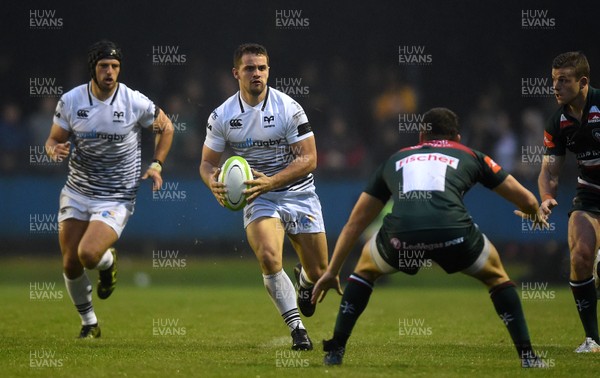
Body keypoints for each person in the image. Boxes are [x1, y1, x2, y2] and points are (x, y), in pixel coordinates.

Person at [312, 107, 549, 368]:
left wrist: (333, 271)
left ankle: (336, 350)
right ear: (457, 137)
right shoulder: (471, 155)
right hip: (453, 235)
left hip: (401, 238)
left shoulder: (394, 159)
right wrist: (534, 213)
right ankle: (528, 357)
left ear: (421, 134)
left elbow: (355, 223)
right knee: (496, 276)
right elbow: (527, 200)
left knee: (365, 267)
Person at [199, 43, 328, 350]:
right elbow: (207, 163)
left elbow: (309, 159)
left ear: (268, 71)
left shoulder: (289, 108)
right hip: (258, 194)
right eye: (249, 68)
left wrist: (274, 181)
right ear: (236, 73)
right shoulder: (222, 116)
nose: (256, 73)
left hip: (298, 192)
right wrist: (212, 183)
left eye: (261, 68)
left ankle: (305, 282)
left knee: (320, 272)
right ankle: (297, 329)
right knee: (269, 257)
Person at [45, 40, 174, 338]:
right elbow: (53, 140)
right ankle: (89, 322)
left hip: (117, 193)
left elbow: (166, 127)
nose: (110, 72)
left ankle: (108, 260)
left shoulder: (133, 101)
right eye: (104, 66)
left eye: (115, 66)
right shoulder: (71, 101)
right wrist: (54, 150)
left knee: (89, 254)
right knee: (70, 262)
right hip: (78, 189)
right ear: (94, 68)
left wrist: (157, 164)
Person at [538, 51, 600, 353]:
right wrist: (547, 198)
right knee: (579, 257)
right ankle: (592, 340)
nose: (556, 87)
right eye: (553, 80)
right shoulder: (557, 121)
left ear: (583, 82)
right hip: (589, 192)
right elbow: (550, 169)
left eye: (563, 80)